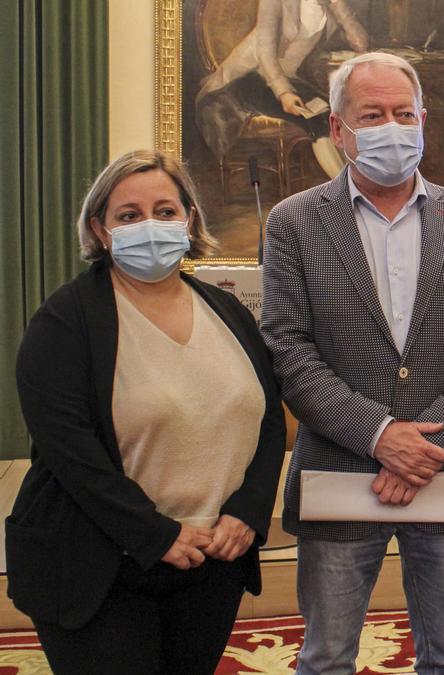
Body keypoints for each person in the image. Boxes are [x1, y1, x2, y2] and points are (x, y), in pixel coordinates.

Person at [260, 51, 444, 674]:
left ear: (423, 120)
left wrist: (424, 446)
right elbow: (288, 350)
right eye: (372, 114)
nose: (391, 127)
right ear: (339, 131)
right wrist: (380, 437)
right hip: (341, 473)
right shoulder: (293, 222)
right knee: (326, 657)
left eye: (404, 113)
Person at [6, 150, 286, 673]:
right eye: (129, 215)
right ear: (101, 229)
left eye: (164, 211)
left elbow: (268, 420)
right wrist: (156, 536)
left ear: (189, 220)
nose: (150, 226)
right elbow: (72, 453)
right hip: (100, 565)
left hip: (210, 562)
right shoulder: (66, 320)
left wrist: (248, 511)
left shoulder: (226, 309)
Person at [196, 0, 371, 178]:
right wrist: (284, 92)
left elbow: (361, 42)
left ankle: (356, 188)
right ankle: (346, 191)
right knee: (317, 118)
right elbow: (265, 54)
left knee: (334, 115)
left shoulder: (328, 6)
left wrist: (338, 5)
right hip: (247, 78)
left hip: (286, 79)